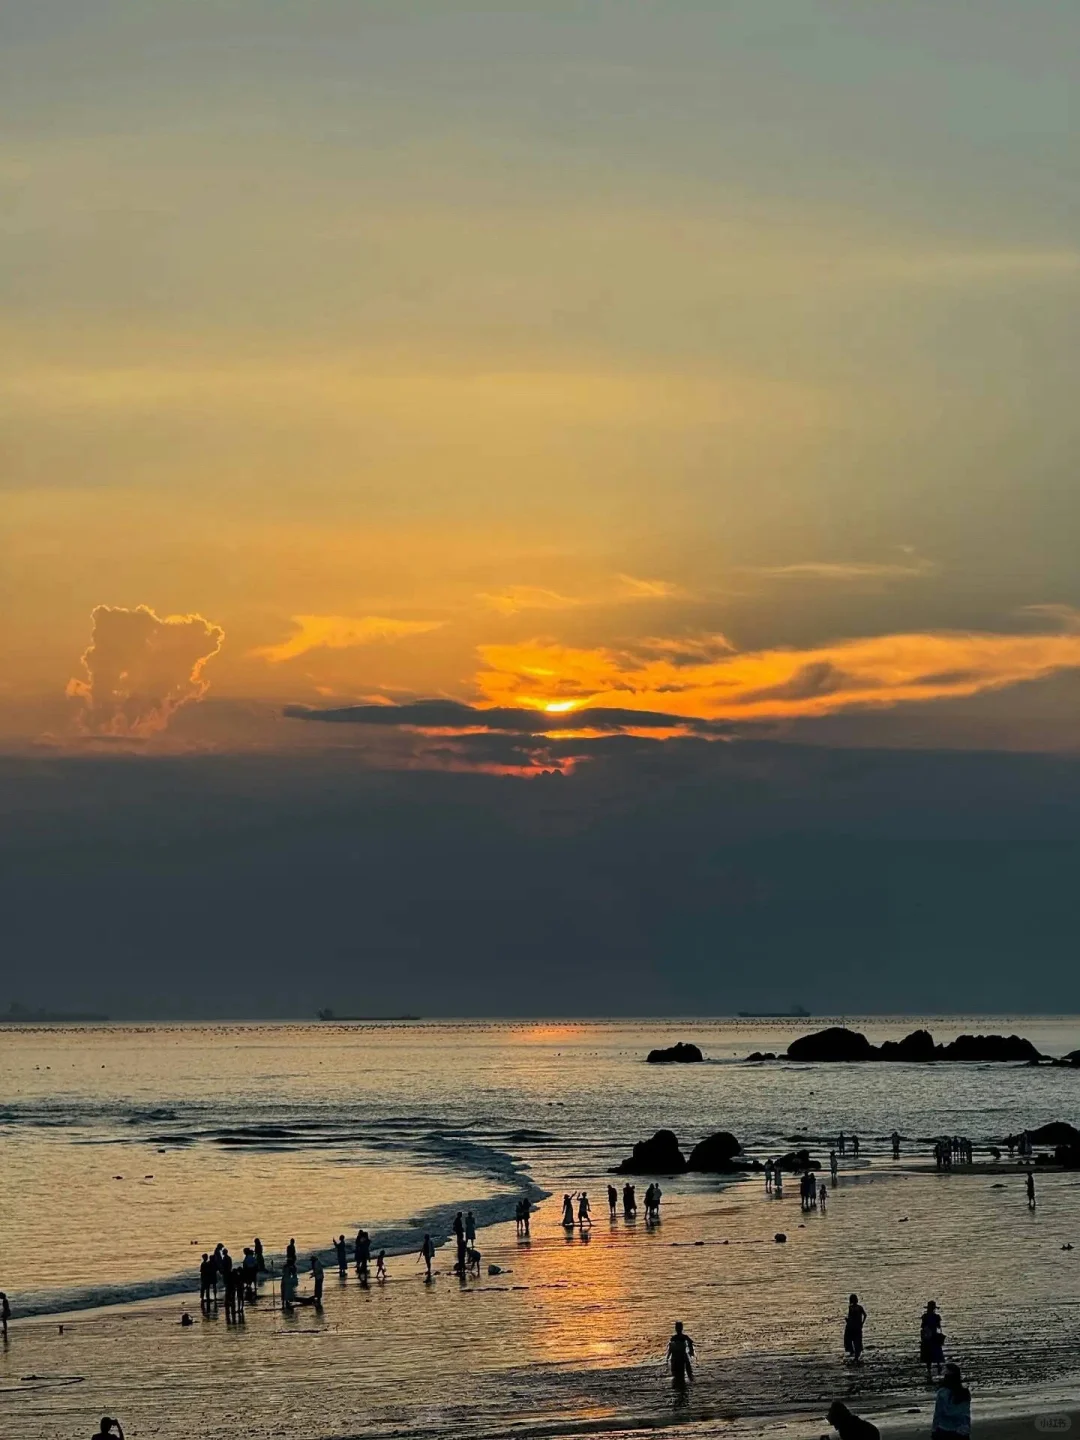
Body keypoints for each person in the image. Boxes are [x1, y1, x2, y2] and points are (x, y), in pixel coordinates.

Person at [932, 1363, 971, 1439]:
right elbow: (966, 1413)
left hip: (944, 1429)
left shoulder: (942, 1392)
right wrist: (967, 1428)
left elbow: (938, 1413)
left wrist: (934, 1429)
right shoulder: (964, 1393)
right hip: (961, 1429)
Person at [920, 1300, 945, 1380]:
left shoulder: (925, 1316)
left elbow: (923, 1326)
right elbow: (939, 1327)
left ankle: (929, 1369)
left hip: (927, 1337)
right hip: (934, 1335)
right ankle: (938, 1367)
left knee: (928, 1354)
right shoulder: (936, 1317)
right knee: (936, 1352)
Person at [666, 1320, 695, 1386]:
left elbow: (670, 1349)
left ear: (676, 1329)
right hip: (682, 1357)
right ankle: (687, 1383)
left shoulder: (674, 1338)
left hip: (677, 1358)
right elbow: (690, 1342)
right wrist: (691, 1352)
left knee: (677, 1376)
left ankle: (679, 1386)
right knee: (684, 1374)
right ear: (682, 1328)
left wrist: (667, 1357)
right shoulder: (683, 1337)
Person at [844, 1293, 866, 1362]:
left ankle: (854, 1354)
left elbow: (850, 1317)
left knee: (851, 1340)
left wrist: (847, 1321)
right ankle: (856, 1356)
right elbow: (865, 1315)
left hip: (852, 1327)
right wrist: (862, 1323)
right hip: (857, 1327)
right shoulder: (859, 1307)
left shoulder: (851, 1308)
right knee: (857, 1341)